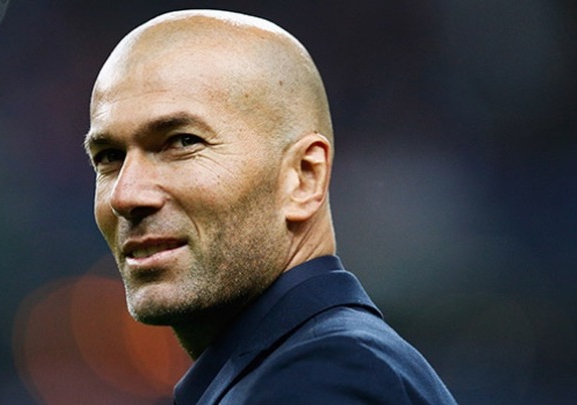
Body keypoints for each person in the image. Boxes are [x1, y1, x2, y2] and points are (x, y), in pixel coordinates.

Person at [84, 9, 456, 404]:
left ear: (303, 176)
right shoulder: (295, 368)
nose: (125, 195)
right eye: (109, 157)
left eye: (182, 142)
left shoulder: (321, 377)